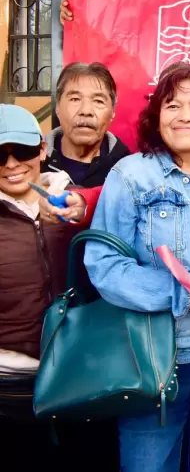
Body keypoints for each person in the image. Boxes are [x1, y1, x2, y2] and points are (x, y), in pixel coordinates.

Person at [83, 64, 190, 472]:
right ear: (156, 115)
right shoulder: (131, 175)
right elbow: (104, 265)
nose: (185, 115)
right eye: (172, 105)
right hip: (155, 361)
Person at [0, 105, 117, 471]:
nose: (10, 164)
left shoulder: (80, 202)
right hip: (10, 387)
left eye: (20, 151)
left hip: (82, 377)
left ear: (42, 150)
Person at [42, 61, 130, 187]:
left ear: (112, 112)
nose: (86, 111)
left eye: (98, 101)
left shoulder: (127, 169)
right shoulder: (31, 161)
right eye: (75, 99)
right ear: (57, 108)